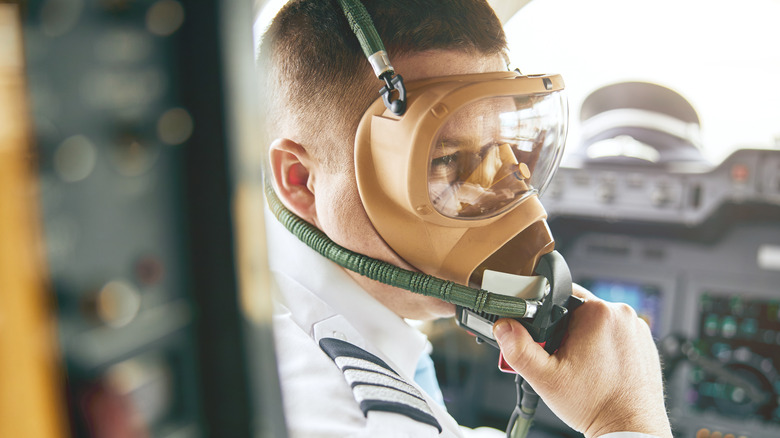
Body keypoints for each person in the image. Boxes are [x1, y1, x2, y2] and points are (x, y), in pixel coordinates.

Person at [257, 1, 673, 437]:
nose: (507, 198)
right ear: (302, 180)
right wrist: (623, 419)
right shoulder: (355, 416)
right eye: (446, 159)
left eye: (503, 148)